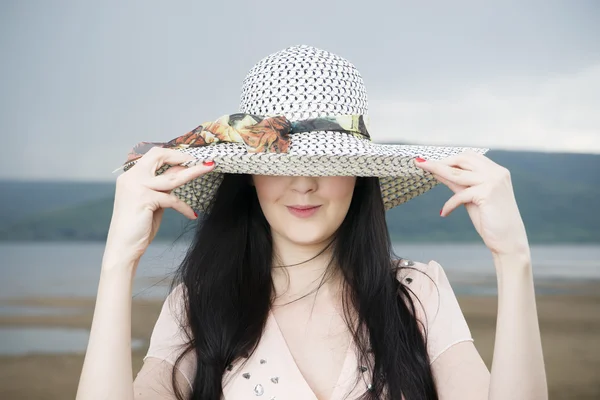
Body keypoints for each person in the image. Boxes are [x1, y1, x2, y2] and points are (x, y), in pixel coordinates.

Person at [76, 45, 547, 400]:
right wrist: (118, 262)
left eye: (328, 161)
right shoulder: (200, 304)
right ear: (250, 177)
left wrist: (514, 259)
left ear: (360, 175)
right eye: (281, 167)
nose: (303, 185)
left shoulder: (418, 293)